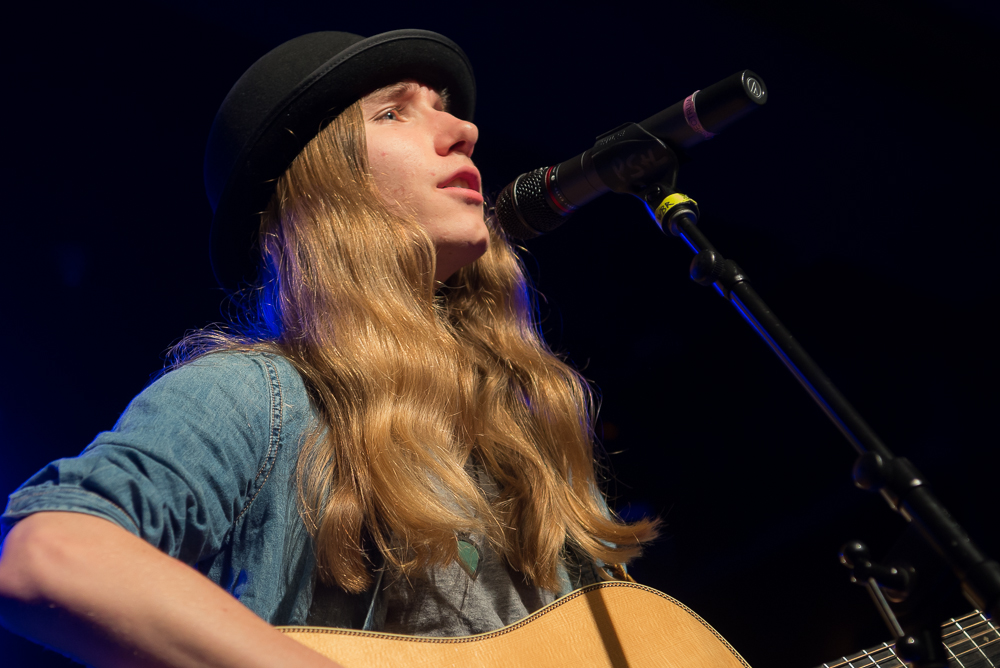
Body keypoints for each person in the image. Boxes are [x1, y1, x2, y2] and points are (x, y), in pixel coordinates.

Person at [0, 29, 657, 667]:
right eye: (394, 112)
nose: (464, 130)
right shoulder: (259, 395)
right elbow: (52, 552)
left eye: (445, 109)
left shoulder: (526, 432)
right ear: (323, 187)